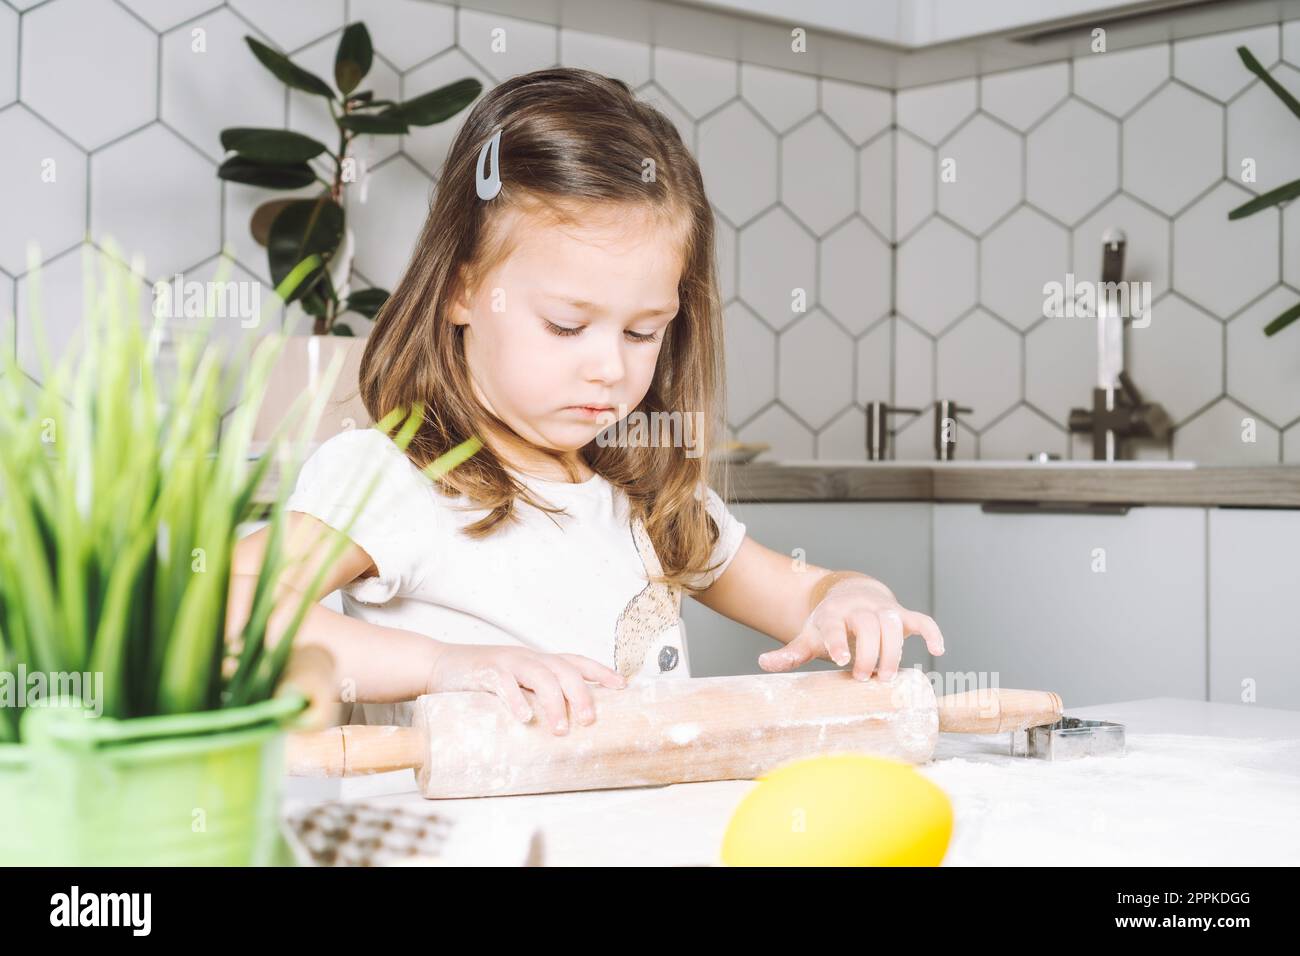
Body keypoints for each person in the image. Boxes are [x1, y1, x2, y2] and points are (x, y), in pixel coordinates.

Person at [228, 67, 944, 736]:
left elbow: (802, 592)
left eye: (642, 331)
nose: (607, 368)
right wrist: (445, 666)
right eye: (566, 326)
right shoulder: (399, 478)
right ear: (462, 289)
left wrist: (851, 599)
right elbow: (228, 610)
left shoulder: (645, 497)